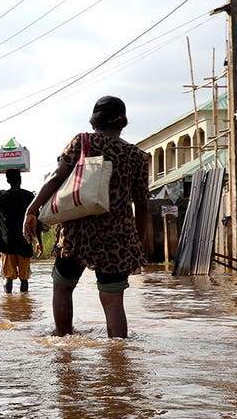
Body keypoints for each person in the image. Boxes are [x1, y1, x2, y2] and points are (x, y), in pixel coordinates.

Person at [23, 96, 149, 338]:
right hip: (118, 238)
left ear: (94, 121)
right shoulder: (137, 156)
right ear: (123, 123)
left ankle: (63, 343)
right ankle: (118, 359)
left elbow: (57, 177)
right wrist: (138, 245)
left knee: (62, 287)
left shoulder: (83, 142)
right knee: (113, 302)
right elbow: (142, 205)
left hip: (76, 234)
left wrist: (32, 209)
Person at [0, 169, 43, 293]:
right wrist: (39, 242)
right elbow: (37, 221)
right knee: (24, 279)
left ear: (7, 180)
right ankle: (24, 303)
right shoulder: (29, 196)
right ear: (20, 180)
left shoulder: (0, 197)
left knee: (8, 278)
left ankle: (8, 301)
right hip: (24, 242)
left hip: (7, 244)